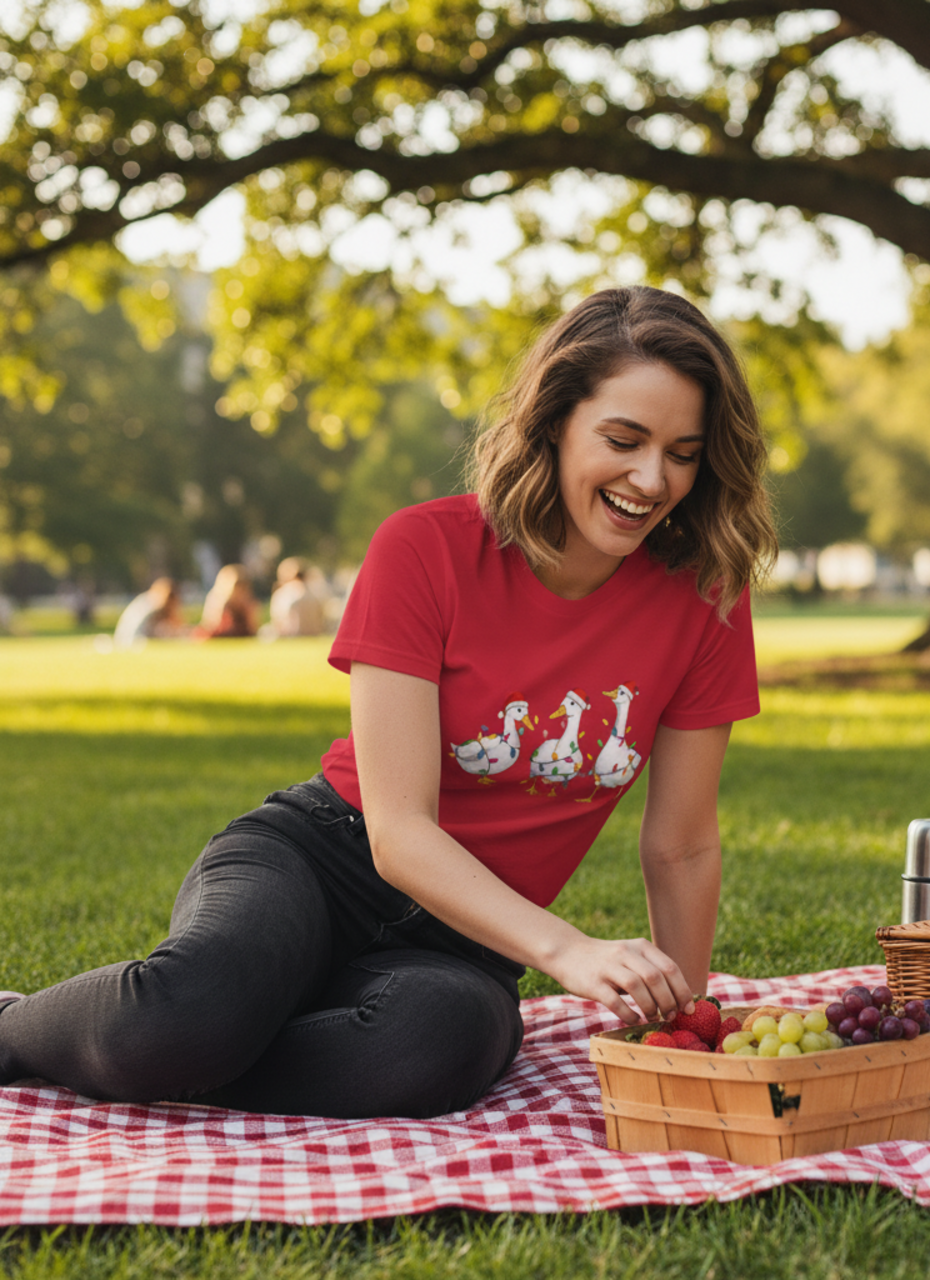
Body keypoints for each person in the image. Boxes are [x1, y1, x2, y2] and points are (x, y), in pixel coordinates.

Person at [0, 287, 777, 1120]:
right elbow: (399, 832)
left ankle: (214, 1043)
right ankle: (34, 1030)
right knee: (183, 1016)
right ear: (553, 422)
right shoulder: (427, 548)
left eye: (684, 453)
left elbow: (684, 845)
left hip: (465, 941)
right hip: (318, 858)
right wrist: (567, 949)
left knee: (431, 1050)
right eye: (623, 439)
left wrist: (689, 1031)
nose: (652, 478)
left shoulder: (707, 601)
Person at [112, 578, 186, 648]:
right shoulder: (157, 604)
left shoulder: (146, 599)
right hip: (136, 642)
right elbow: (171, 627)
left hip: (123, 640)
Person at [268, 557, 327, 637]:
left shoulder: (282, 594)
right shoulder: (316, 594)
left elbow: (277, 622)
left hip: (290, 637)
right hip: (314, 635)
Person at [196, 564, 259, 638]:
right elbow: (212, 626)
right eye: (238, 587)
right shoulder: (218, 601)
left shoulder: (247, 603)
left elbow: (251, 628)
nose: (240, 592)